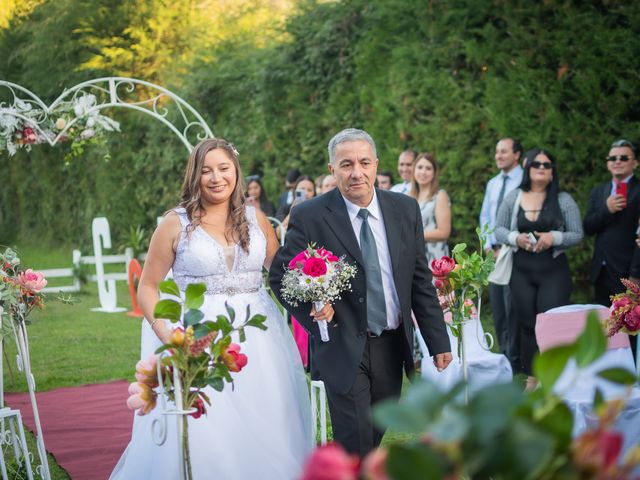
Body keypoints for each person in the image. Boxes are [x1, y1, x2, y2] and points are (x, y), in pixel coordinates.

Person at [111, 139, 311, 480]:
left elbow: (283, 274)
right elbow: (147, 286)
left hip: (260, 339)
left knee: (269, 417)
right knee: (210, 424)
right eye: (206, 170)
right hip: (198, 336)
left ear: (236, 172)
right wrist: (168, 333)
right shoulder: (175, 223)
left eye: (223, 169)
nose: (216, 177)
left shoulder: (256, 219)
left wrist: (317, 280)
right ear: (194, 175)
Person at [269, 128, 452, 457]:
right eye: (346, 164)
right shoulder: (311, 215)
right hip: (341, 345)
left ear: (376, 164)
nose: (357, 172)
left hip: (391, 344)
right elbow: (281, 275)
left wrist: (437, 339)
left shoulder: (405, 209)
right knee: (356, 443)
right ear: (332, 169)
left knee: (374, 433)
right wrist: (315, 309)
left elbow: (419, 280)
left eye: (364, 163)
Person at [495, 149, 583, 391]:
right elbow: (498, 229)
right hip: (521, 271)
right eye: (536, 164)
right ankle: (532, 378)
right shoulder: (514, 197)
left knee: (551, 322)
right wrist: (515, 238)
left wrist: (553, 237)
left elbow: (577, 234)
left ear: (553, 171)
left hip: (553, 271)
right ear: (528, 169)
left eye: (547, 164)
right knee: (526, 325)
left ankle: (554, 377)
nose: (542, 168)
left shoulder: (563, 199)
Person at [584, 138, 640, 357]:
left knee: (631, 326)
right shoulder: (600, 191)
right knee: (605, 327)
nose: (618, 161)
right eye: (613, 158)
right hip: (601, 271)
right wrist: (606, 209)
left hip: (628, 271)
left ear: (634, 163)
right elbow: (588, 226)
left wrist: (636, 274)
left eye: (624, 158)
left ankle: (632, 381)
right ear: (607, 163)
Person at [479, 138, 524, 372]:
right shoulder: (493, 183)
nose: (498, 156)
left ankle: (515, 359)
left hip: (514, 250)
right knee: (498, 307)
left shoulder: (525, 181)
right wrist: (488, 245)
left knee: (513, 306)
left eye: (503, 152)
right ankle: (505, 356)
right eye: (496, 151)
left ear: (516, 155)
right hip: (493, 252)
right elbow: (485, 216)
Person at [408, 152, 451, 263]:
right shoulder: (409, 196)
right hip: (413, 255)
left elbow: (444, 232)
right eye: (420, 167)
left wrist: (413, 235)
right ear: (414, 170)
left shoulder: (440, 196)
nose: (423, 172)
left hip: (434, 257)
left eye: (428, 168)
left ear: (434, 173)